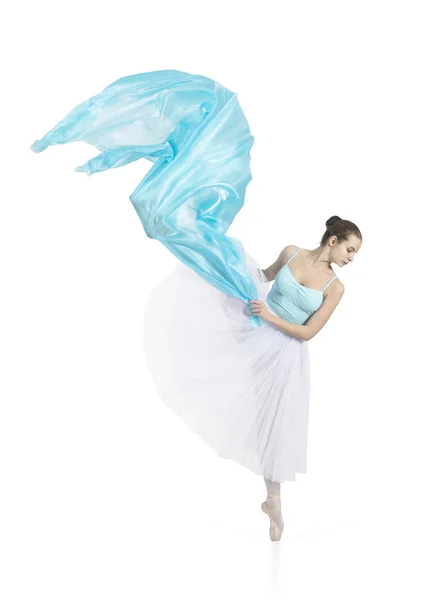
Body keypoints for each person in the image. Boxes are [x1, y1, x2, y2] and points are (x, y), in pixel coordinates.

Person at [142, 215, 362, 541]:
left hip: (285, 352)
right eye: (350, 248)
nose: (351, 257)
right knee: (218, 361)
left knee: (271, 423)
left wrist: (270, 317)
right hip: (255, 332)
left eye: (355, 253)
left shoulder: (336, 287)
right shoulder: (291, 253)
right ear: (333, 240)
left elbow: (308, 332)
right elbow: (264, 277)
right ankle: (192, 242)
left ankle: (273, 500)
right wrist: (228, 272)